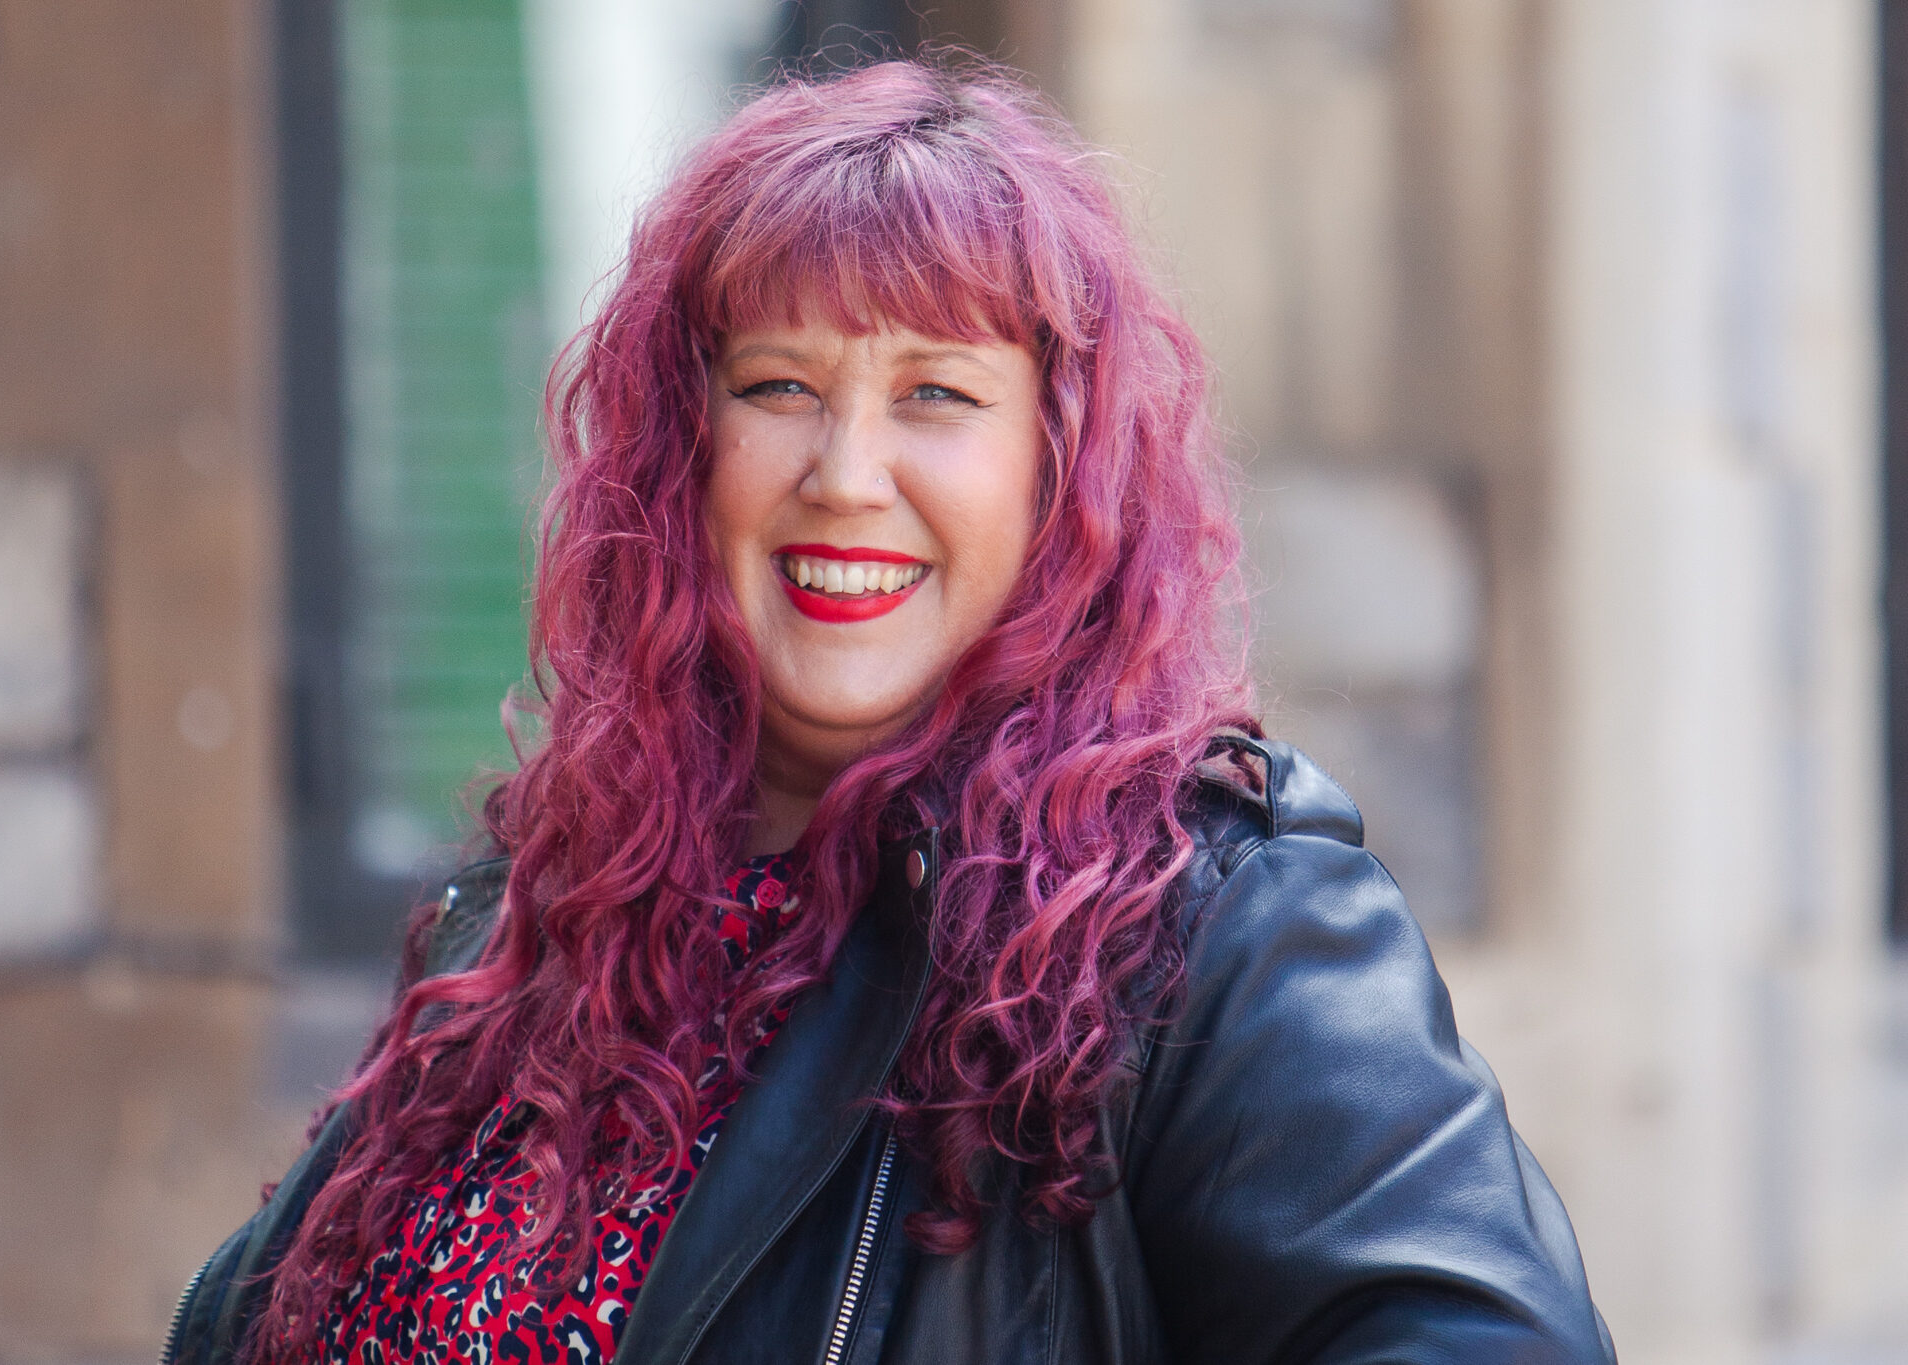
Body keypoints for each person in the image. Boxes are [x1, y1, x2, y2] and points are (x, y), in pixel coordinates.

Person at [166, 58, 1614, 1365]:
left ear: (1059, 473)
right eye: (782, 384)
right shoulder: (530, 919)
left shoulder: (1219, 933)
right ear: (689, 453)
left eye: (936, 392)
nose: (846, 472)